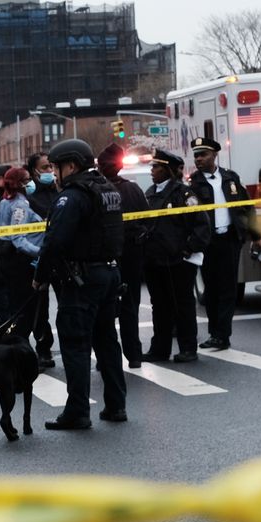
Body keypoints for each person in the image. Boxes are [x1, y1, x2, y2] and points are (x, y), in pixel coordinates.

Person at [36, 138, 126, 429]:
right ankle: (116, 405)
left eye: (57, 167)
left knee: (75, 344)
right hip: (109, 273)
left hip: (82, 279)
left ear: (71, 165)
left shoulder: (71, 196)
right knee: (107, 341)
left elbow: (55, 242)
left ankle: (77, 412)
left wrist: (40, 275)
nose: (55, 173)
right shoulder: (107, 189)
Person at [141, 148, 206, 363]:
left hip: (178, 261)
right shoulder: (150, 193)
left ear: (167, 169)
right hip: (155, 261)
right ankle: (160, 348)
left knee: (183, 305)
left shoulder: (184, 194)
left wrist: (188, 250)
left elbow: (201, 226)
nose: (152, 170)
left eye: (156, 166)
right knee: (159, 306)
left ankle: (188, 348)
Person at [189, 137, 253, 350]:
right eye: (196, 155)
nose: (198, 159)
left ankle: (222, 335)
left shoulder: (230, 178)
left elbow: (246, 207)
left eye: (203, 154)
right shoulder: (193, 183)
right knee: (212, 291)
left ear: (214, 155)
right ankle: (215, 331)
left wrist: (253, 235)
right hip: (208, 243)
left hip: (229, 240)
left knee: (229, 290)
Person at [0, 166, 51, 363]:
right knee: (35, 310)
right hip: (26, 264)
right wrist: (40, 252)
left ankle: (23, 349)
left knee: (18, 309)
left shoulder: (5, 203)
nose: (32, 181)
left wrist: (2, 247)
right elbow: (18, 238)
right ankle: (32, 353)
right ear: (22, 183)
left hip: (11, 263)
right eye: (28, 179)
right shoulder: (20, 206)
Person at [99, 144, 149, 366]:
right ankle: (134, 355)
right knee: (130, 306)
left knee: (105, 308)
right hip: (131, 254)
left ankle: (105, 357)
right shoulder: (134, 190)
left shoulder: (97, 190)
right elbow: (147, 220)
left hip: (106, 256)